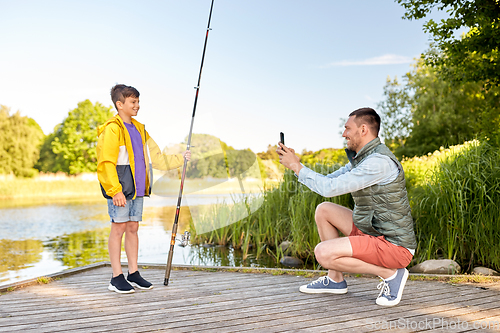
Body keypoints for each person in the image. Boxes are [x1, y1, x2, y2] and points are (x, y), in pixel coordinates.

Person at [277, 107, 416, 307]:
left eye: (347, 128)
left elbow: (329, 188)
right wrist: (297, 164)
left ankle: (391, 274)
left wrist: (296, 168)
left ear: (363, 129)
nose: (344, 134)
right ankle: (335, 280)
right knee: (324, 210)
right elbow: (326, 181)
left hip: (393, 245)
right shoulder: (362, 160)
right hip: (374, 232)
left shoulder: (378, 163)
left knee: (323, 253)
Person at [97, 84, 191, 294]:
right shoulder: (112, 129)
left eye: (138, 101)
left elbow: (157, 159)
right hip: (120, 190)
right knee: (118, 228)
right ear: (119, 104)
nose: (137, 106)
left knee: (132, 229)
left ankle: (133, 273)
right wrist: (115, 191)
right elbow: (105, 163)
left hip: (138, 189)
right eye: (133, 102)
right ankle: (116, 277)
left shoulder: (141, 129)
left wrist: (180, 159)